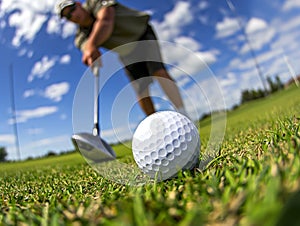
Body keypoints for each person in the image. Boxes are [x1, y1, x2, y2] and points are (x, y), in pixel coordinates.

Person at [56, 0, 187, 116]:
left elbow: (106, 20)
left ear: (78, 4)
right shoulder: (80, 37)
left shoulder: (94, 2)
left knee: (158, 71)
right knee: (141, 90)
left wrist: (91, 45)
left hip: (141, 34)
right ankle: (156, 128)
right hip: (125, 52)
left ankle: (184, 115)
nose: (73, 16)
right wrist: (91, 54)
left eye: (72, 10)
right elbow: (87, 49)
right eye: (68, 16)